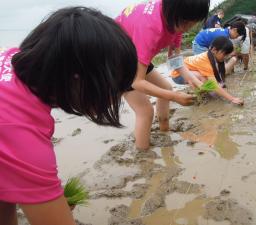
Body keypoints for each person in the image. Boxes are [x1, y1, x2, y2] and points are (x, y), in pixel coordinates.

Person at [0, 7, 137, 225]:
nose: (118, 95)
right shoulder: (21, 133)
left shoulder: (12, 57)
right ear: (77, 79)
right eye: (115, 85)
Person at [116, 0, 210, 150]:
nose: (186, 29)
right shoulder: (150, 27)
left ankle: (164, 129)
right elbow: (137, 82)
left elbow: (175, 60)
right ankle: (143, 155)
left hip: (133, 53)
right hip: (116, 59)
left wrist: (192, 79)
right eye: (185, 23)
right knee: (145, 111)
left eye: (192, 24)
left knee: (165, 87)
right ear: (172, 11)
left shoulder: (176, 22)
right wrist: (175, 97)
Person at [171, 36, 243, 105]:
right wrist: (232, 98)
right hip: (178, 75)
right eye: (224, 54)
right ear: (214, 50)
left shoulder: (211, 56)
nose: (225, 57)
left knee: (207, 79)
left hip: (189, 71)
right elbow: (214, 85)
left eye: (227, 55)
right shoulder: (206, 61)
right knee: (202, 78)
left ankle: (205, 93)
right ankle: (199, 97)